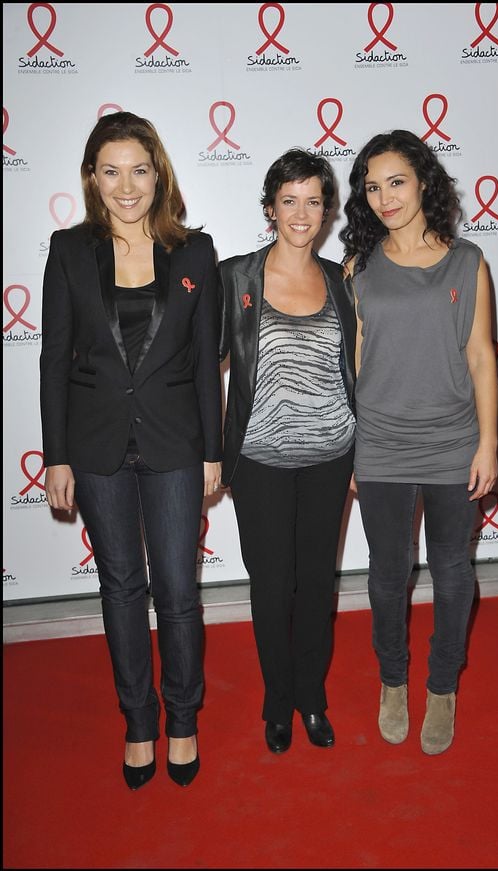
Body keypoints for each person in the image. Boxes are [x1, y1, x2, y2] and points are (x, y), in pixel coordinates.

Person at [40, 111, 222, 789]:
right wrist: (56, 454)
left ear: (159, 173)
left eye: (139, 169)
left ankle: (182, 717)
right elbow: (54, 358)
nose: (126, 185)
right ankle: (138, 718)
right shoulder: (68, 250)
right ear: (92, 177)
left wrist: (213, 454)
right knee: (121, 586)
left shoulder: (196, 253)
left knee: (177, 589)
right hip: (95, 445)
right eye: (111, 170)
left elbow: (207, 361)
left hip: (177, 442)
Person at [340, 130, 498, 755]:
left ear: (424, 182)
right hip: (379, 442)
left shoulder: (468, 261)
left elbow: (482, 357)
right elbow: (353, 361)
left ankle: (441, 686)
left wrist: (488, 445)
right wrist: (350, 446)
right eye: (372, 187)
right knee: (386, 575)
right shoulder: (359, 268)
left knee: (454, 573)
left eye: (396, 181)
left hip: (454, 440)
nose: (384, 198)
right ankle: (393, 681)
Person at [218, 148, 356, 753]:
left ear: (327, 210)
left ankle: (312, 699)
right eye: (289, 200)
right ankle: (278, 703)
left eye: (314, 201)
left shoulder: (340, 280)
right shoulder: (235, 277)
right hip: (260, 464)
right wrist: (204, 453)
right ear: (270, 206)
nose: (301, 213)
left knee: (316, 585)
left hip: (331, 458)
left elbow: (358, 368)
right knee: (272, 586)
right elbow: (201, 367)